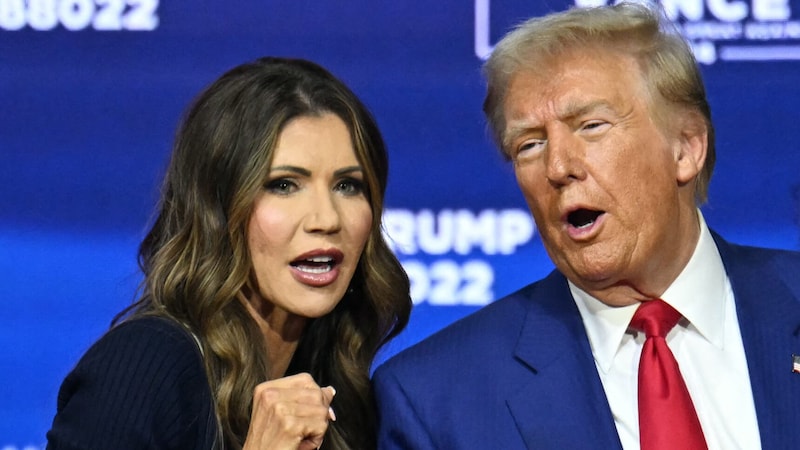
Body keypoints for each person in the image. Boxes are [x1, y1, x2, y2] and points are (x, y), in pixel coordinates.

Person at [373, 2, 800, 449]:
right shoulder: (438, 401)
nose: (557, 166)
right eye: (530, 144)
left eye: (591, 126)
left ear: (686, 149)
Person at [47, 57, 412, 450]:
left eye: (347, 185)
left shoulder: (341, 388)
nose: (326, 218)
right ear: (217, 209)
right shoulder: (145, 367)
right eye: (284, 185)